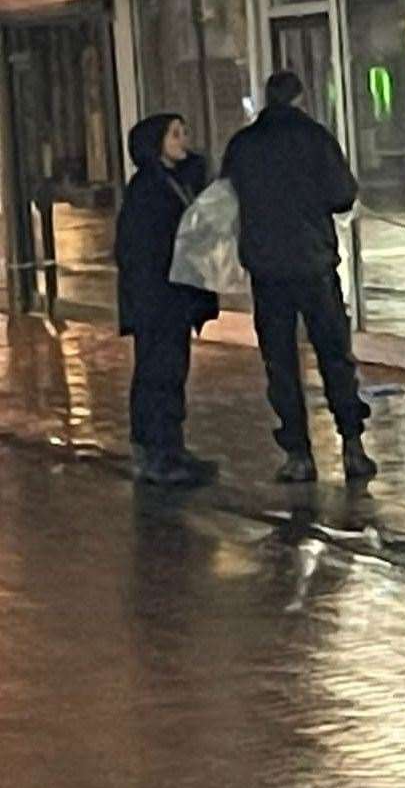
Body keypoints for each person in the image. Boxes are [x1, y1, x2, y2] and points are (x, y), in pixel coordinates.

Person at [222, 71, 376, 483]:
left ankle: (298, 453)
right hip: (313, 263)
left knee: (280, 360)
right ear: (300, 98)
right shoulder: (316, 139)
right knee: (333, 353)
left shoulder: (244, 146)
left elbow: (227, 194)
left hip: (267, 269)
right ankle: (352, 445)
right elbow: (343, 195)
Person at [115, 113, 220, 487]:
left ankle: (171, 447)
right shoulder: (147, 189)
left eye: (183, 131)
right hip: (158, 298)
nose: (183, 139)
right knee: (157, 373)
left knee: (173, 372)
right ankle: (154, 450)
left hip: (175, 297)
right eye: (175, 134)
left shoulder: (177, 182)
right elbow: (140, 248)